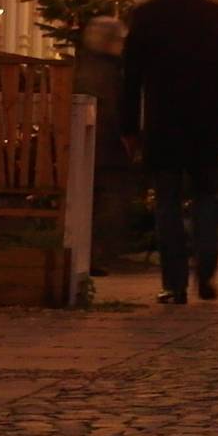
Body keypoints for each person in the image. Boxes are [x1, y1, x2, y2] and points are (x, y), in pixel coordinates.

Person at [119, 0, 218, 305]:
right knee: (206, 196)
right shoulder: (215, 16)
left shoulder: (146, 16)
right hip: (206, 124)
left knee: (167, 203)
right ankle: (205, 270)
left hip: (163, 124)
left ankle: (174, 284)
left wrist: (129, 128)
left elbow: (130, 79)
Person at [72, 15, 135, 275]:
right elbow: (113, 110)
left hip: (88, 146)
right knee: (109, 201)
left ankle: (88, 255)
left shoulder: (83, 66)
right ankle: (96, 255)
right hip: (106, 147)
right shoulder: (110, 72)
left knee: (92, 201)